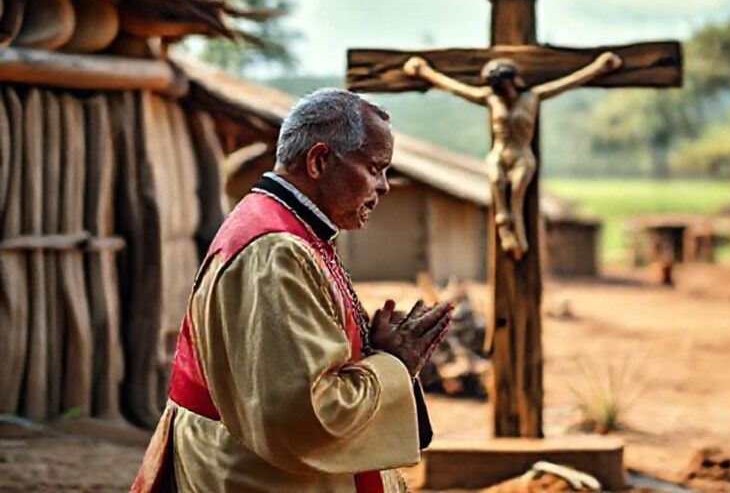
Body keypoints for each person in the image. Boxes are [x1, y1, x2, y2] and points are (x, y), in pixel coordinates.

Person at [132, 89, 452, 492]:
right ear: (320, 161)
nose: (385, 186)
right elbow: (305, 415)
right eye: (375, 168)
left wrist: (371, 350)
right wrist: (393, 364)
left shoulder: (291, 230)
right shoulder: (275, 251)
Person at [402, 52, 622, 260]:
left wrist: (599, 68)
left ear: (514, 81)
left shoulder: (532, 98)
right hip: (500, 151)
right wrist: (425, 72)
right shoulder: (491, 99)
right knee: (496, 182)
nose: (502, 92)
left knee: (516, 193)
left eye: (505, 86)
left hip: (521, 154)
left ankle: (520, 237)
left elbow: (567, 82)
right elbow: (457, 88)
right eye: (497, 88)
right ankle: (505, 232)